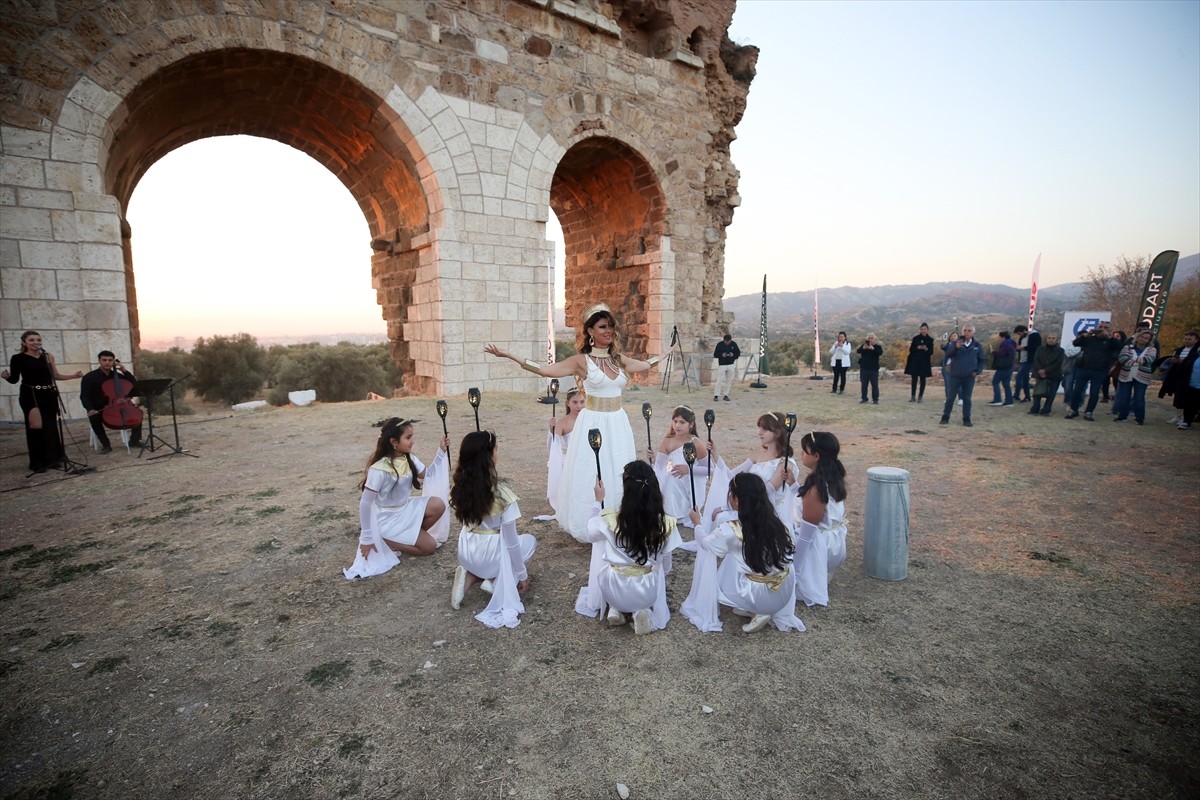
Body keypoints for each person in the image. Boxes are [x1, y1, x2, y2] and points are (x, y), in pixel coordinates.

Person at [485, 304, 666, 542]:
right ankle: (590, 522)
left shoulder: (618, 360)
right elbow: (545, 370)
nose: (609, 331)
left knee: (619, 467)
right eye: (603, 327)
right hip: (593, 423)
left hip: (618, 423)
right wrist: (509, 355)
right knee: (591, 470)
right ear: (590, 331)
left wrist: (667, 352)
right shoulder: (581, 361)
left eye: (611, 326)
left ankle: (622, 519)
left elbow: (645, 365)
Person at [681, 473, 804, 634]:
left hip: (761, 596)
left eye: (730, 494)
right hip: (785, 590)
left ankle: (757, 611)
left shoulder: (730, 531)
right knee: (738, 553)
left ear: (737, 500)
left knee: (728, 563)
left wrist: (697, 523)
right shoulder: (778, 522)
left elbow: (706, 544)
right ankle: (753, 606)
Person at [575, 461, 685, 635]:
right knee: (653, 575)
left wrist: (598, 501)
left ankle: (616, 607)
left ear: (626, 490)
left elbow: (591, 534)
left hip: (613, 586)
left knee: (606, 563)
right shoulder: (666, 525)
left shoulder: (610, 520)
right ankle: (641, 610)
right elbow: (666, 567)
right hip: (646, 590)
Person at [343, 417, 450, 580]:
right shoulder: (379, 469)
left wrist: (441, 451)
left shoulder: (409, 459)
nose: (412, 441)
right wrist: (367, 537)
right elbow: (366, 503)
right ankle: (386, 541)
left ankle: (410, 535)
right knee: (429, 547)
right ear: (394, 442)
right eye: (408, 437)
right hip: (387, 518)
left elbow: (429, 475)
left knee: (438, 505)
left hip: (405, 509)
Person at [449, 431, 537, 628]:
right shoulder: (502, 496)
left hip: (466, 551)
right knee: (529, 541)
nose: (498, 452)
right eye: (496, 449)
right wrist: (522, 575)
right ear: (488, 457)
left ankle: (472, 576)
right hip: (490, 556)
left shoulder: (459, 487)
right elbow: (512, 543)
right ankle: (497, 581)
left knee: (497, 551)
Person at [2, 330, 83, 473]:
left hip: (48, 394)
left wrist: (73, 376)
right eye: (31, 340)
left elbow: (55, 375)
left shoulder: (47, 356)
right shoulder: (18, 358)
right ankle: (38, 462)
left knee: (50, 427)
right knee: (36, 427)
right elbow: (14, 379)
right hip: (30, 395)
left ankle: (53, 459)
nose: (36, 342)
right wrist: (7, 377)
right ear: (24, 342)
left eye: (38, 340)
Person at [709, 412, 799, 524]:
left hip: (769, 513)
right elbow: (732, 476)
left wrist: (728, 507)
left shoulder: (785, 464)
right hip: (750, 505)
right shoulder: (757, 455)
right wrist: (715, 453)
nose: (759, 433)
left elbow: (766, 492)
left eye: (765, 429)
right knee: (720, 518)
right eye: (760, 428)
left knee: (724, 519)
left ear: (777, 433)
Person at [792, 431, 849, 607]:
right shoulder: (832, 479)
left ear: (816, 456)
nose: (801, 454)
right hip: (834, 545)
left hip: (819, 548)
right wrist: (793, 485)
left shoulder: (817, 489)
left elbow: (806, 534)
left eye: (804, 451)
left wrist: (794, 571)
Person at [650, 405, 709, 527]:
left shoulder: (695, 443)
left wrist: (689, 469)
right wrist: (653, 458)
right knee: (670, 480)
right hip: (672, 481)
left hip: (690, 482)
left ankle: (685, 511)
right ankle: (669, 510)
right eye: (675, 421)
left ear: (691, 425)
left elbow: (710, 469)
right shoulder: (667, 440)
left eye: (682, 422)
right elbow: (659, 467)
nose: (677, 425)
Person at [79, 350, 144, 453]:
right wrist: (90, 409)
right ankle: (106, 445)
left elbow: (134, 386)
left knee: (137, 413)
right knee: (94, 418)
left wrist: (125, 371)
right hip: (99, 407)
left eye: (110, 360)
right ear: (99, 361)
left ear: (114, 361)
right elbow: (84, 396)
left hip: (119, 405)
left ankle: (134, 441)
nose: (107, 362)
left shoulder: (118, 376)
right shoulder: (89, 377)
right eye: (104, 360)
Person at [1066, 321, 1121, 421]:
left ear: (1110, 330)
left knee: (1094, 393)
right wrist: (1087, 335)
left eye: (1106, 327)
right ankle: (1073, 410)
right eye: (1100, 327)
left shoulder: (1111, 341)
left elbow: (1119, 347)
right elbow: (1076, 343)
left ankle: (1089, 412)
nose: (1102, 329)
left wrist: (1109, 337)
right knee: (1077, 390)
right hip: (1084, 368)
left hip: (1100, 370)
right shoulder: (1090, 338)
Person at [545, 388, 585, 513]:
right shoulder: (563, 422)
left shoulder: (589, 420)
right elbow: (553, 446)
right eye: (575, 402)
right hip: (568, 460)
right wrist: (551, 430)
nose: (579, 406)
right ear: (568, 403)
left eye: (582, 402)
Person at [940, 324, 985, 427]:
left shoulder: (977, 346)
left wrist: (977, 371)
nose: (967, 332)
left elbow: (982, 360)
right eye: (965, 330)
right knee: (950, 397)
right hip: (955, 375)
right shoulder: (955, 343)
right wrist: (956, 348)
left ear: (973, 333)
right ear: (962, 332)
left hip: (969, 376)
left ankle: (966, 418)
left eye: (969, 330)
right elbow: (948, 354)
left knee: (967, 398)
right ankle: (945, 417)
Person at [1112, 330, 1156, 425]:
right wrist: (1137, 362)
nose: (1143, 339)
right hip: (1126, 375)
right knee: (1124, 396)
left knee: (1139, 397)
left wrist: (1132, 360)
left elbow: (1148, 360)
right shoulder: (1127, 347)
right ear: (1137, 337)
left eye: (1146, 338)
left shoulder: (1152, 350)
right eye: (1141, 337)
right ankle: (1122, 416)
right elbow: (1122, 358)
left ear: (1149, 340)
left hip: (1142, 376)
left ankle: (1139, 418)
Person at [1157, 331, 1198, 425]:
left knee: (1186, 397)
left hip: (1189, 377)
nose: (1187, 341)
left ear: (1196, 340)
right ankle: (1177, 416)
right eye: (1185, 339)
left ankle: (1184, 417)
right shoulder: (1179, 349)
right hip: (1177, 375)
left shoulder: (1196, 352)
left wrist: (1182, 363)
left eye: (1190, 339)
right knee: (1178, 396)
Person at [1028, 333, 1065, 416]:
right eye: (1049, 338)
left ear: (1057, 340)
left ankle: (1046, 410)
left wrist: (1046, 370)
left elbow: (1058, 363)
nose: (1051, 340)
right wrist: (1040, 370)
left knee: (1051, 394)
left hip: (1054, 375)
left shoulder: (1060, 351)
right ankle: (1035, 409)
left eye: (1053, 338)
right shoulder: (1040, 349)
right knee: (1037, 393)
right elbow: (1036, 360)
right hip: (1040, 374)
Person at [904, 323, 934, 402]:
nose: (923, 330)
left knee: (922, 379)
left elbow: (931, 352)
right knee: (914, 379)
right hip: (915, 361)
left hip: (924, 362)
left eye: (925, 329)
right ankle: (913, 396)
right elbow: (911, 349)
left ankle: (920, 396)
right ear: (920, 330)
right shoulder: (915, 338)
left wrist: (926, 349)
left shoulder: (930, 340)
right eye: (922, 329)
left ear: (927, 330)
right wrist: (917, 347)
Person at [1013, 324, 1041, 403]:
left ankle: (1016, 395)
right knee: (1025, 379)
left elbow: (1036, 347)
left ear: (1024, 331)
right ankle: (1027, 396)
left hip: (1029, 360)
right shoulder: (1022, 338)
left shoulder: (1034, 335)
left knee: (1019, 377)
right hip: (1023, 360)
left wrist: (1024, 348)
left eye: (1020, 333)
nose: (1020, 335)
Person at [988, 330, 1016, 407]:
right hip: (1010, 365)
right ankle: (1009, 401)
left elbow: (1001, 354)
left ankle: (997, 400)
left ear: (1002, 337)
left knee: (995, 382)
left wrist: (993, 352)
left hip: (1003, 366)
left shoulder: (1005, 344)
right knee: (1006, 383)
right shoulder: (1012, 343)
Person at [712, 333, 740, 401]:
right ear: (724, 340)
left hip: (731, 364)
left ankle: (726, 394)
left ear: (730, 340)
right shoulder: (720, 345)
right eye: (726, 341)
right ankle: (716, 395)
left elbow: (738, 353)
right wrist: (722, 355)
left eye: (728, 341)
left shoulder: (734, 344)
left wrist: (733, 355)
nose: (727, 343)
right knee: (719, 380)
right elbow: (715, 354)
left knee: (729, 380)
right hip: (722, 364)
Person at [857, 333, 883, 404]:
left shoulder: (877, 346)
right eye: (869, 338)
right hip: (864, 368)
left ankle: (875, 399)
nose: (870, 340)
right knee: (864, 385)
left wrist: (873, 349)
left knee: (874, 385)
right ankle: (864, 398)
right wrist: (863, 348)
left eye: (872, 338)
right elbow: (858, 351)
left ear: (875, 339)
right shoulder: (864, 346)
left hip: (873, 369)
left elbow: (880, 353)